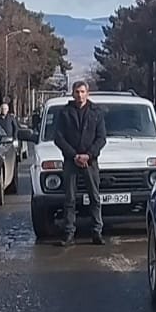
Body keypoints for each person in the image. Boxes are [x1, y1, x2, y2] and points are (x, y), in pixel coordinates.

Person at [53, 80, 107, 246]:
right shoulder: (64, 113)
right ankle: (69, 233)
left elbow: (101, 138)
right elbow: (58, 138)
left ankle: (97, 232)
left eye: (83, 91)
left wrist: (88, 155)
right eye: (77, 92)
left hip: (90, 162)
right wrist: (74, 155)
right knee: (69, 198)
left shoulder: (96, 112)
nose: (80, 95)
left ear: (87, 93)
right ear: (72, 93)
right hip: (71, 161)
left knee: (94, 198)